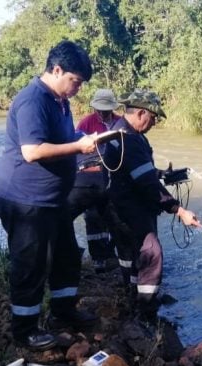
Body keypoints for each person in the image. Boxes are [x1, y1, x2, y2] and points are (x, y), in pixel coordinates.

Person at [0, 40, 100, 351]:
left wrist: (83, 138)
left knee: (66, 254)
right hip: (25, 199)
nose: (77, 88)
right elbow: (33, 150)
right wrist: (79, 147)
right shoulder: (33, 100)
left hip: (52, 199)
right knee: (31, 263)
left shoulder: (59, 100)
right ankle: (24, 330)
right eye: (75, 81)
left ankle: (63, 311)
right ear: (56, 70)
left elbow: (63, 136)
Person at [102, 88, 201, 321]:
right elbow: (147, 185)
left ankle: (131, 291)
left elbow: (136, 172)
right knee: (152, 253)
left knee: (129, 251)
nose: (154, 123)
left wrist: (160, 173)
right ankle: (146, 311)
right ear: (141, 113)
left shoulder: (120, 132)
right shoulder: (130, 139)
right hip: (128, 207)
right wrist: (180, 210)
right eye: (154, 118)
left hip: (115, 206)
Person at [68, 88, 120, 273]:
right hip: (90, 177)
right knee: (93, 217)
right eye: (99, 109)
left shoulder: (120, 122)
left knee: (115, 216)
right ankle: (98, 258)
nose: (102, 113)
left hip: (113, 177)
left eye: (105, 110)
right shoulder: (85, 123)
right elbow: (74, 151)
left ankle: (113, 254)